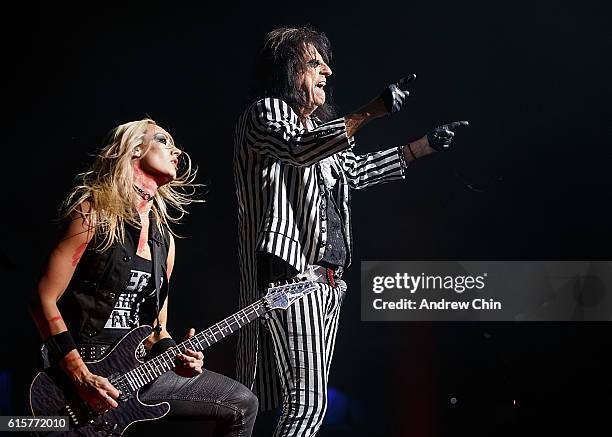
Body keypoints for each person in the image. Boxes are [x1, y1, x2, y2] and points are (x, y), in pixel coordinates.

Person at [233, 26, 468, 436]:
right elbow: (297, 149)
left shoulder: (321, 133)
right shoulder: (266, 112)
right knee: (308, 403)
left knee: (306, 401)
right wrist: (371, 110)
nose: (327, 71)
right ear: (287, 71)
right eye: (313, 63)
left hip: (327, 280)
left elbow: (353, 172)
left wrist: (422, 146)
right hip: (292, 272)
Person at [29, 118, 257, 436]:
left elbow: (155, 331)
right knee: (15, 427)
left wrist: (178, 356)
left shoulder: (165, 241)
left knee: (243, 403)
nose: (176, 150)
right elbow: (42, 298)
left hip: (138, 374)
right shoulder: (91, 213)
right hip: (79, 373)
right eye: (164, 140)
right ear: (136, 148)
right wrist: (81, 377)